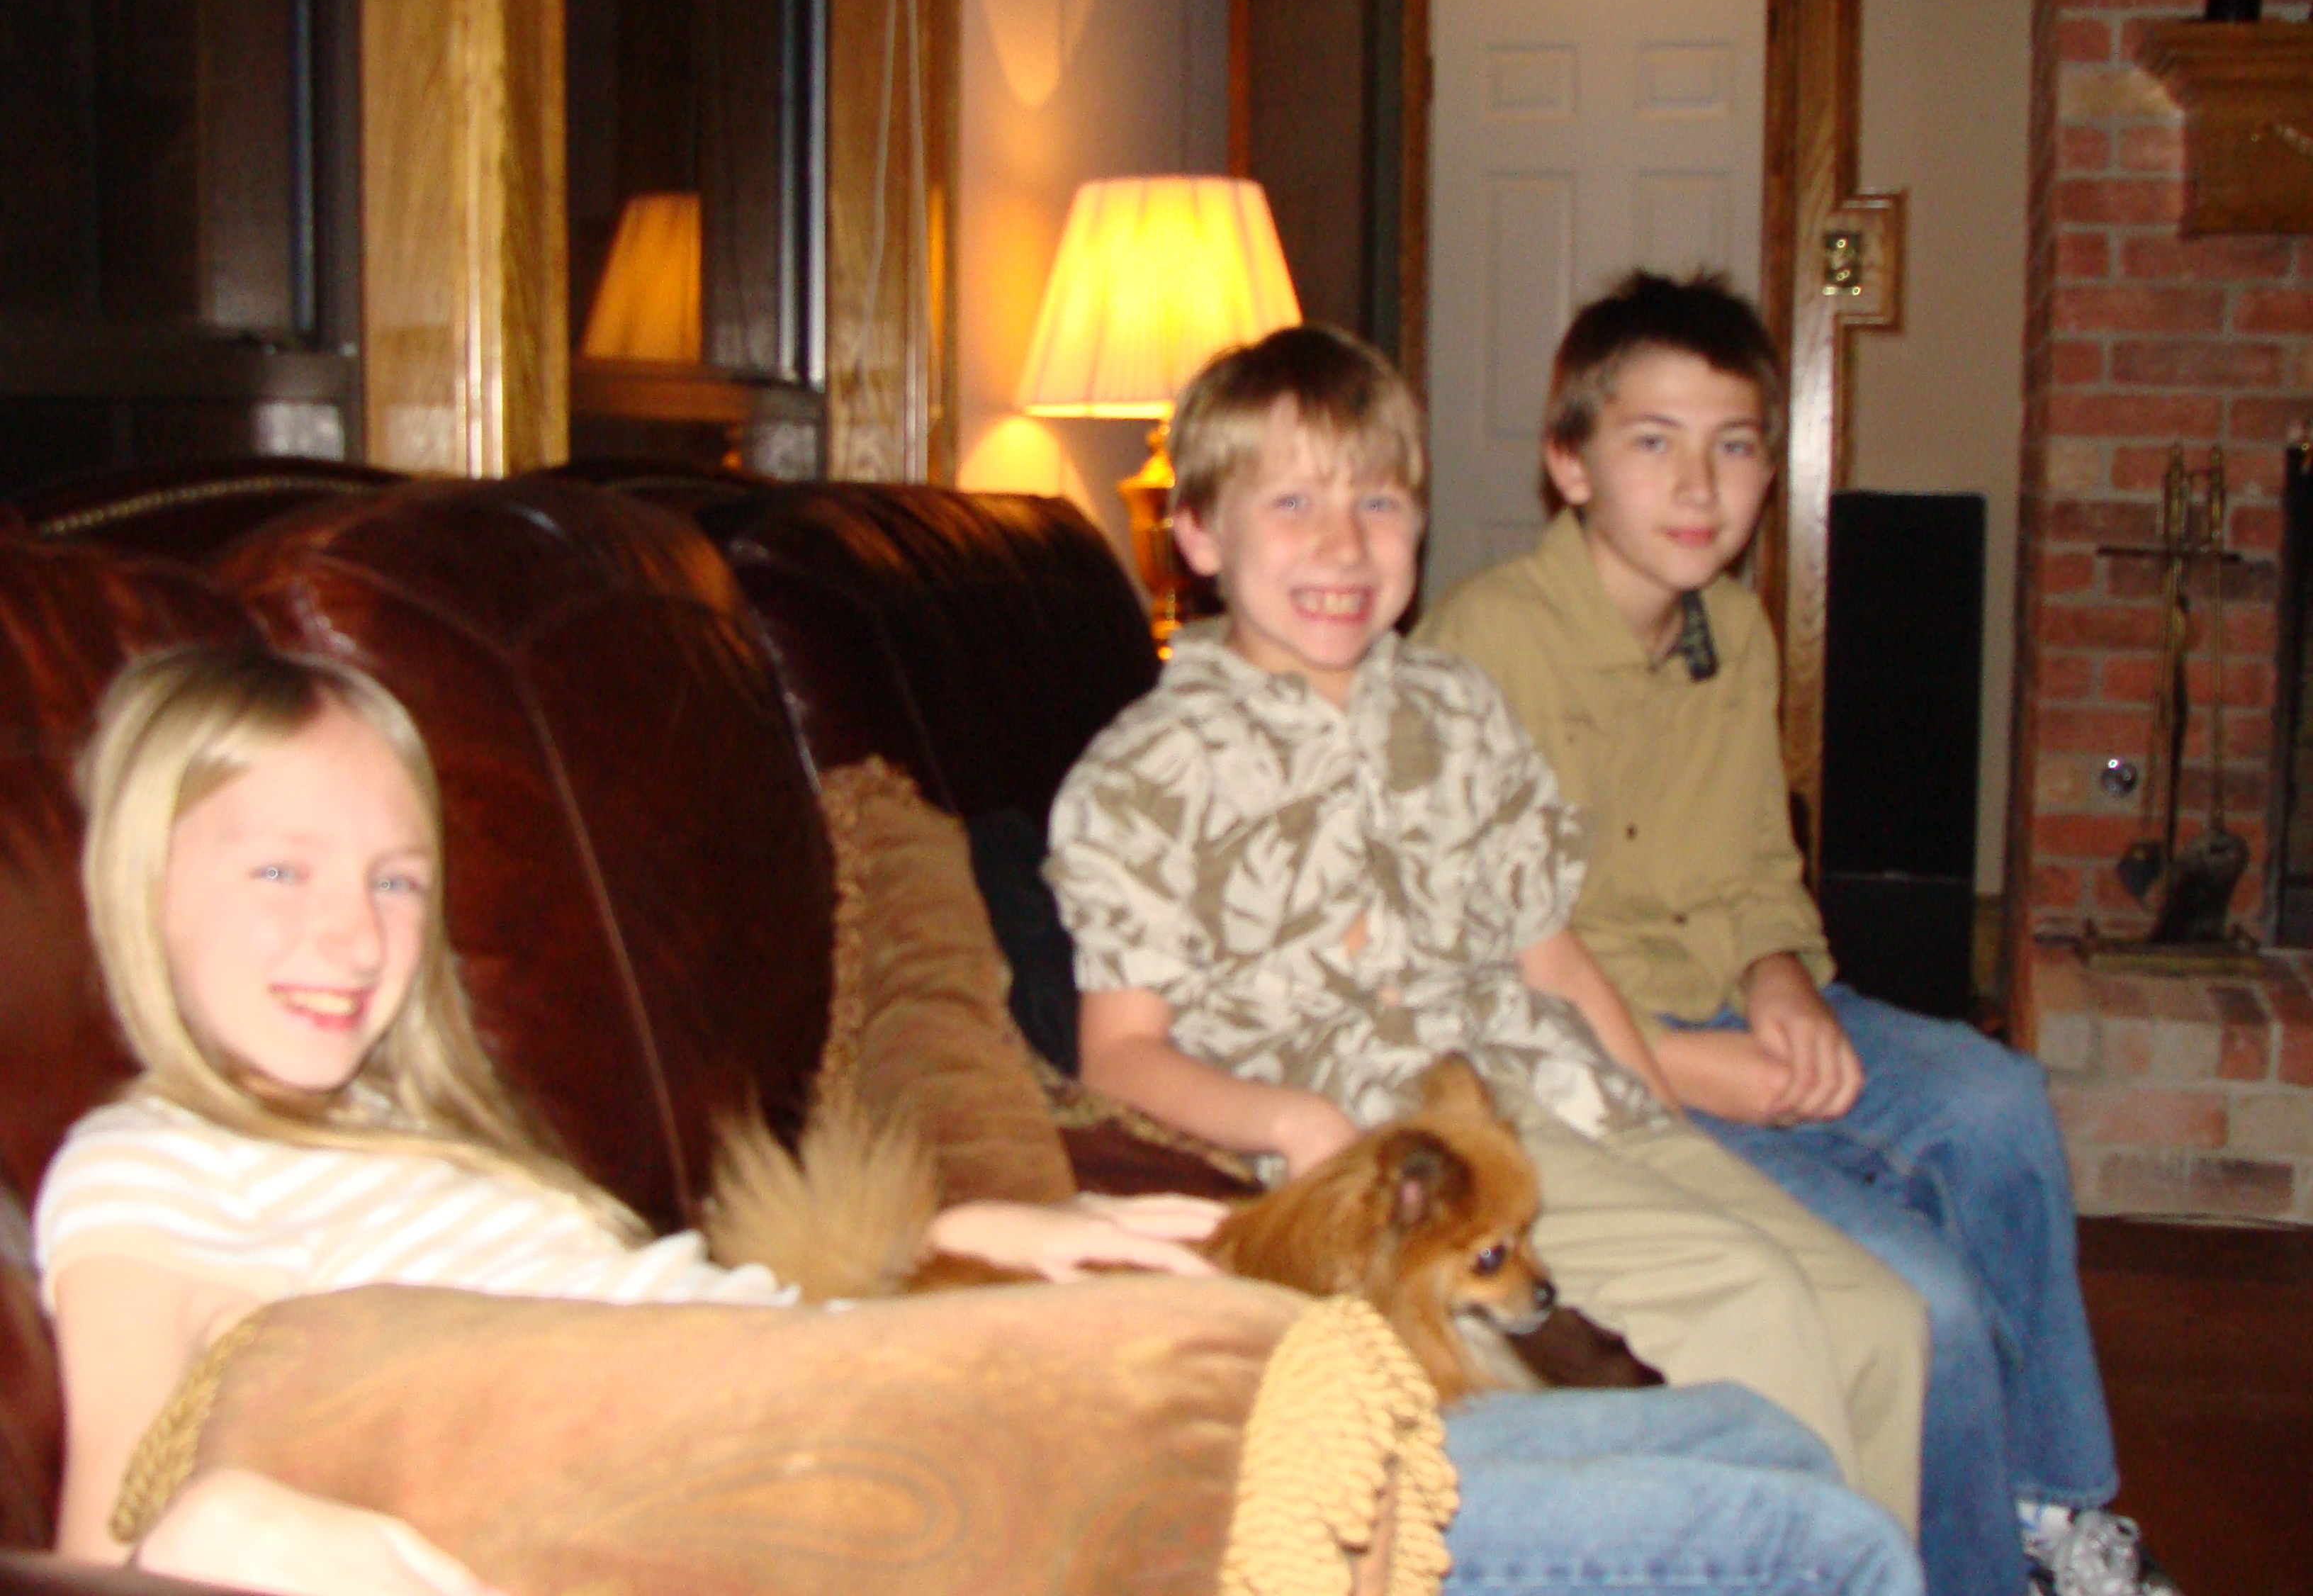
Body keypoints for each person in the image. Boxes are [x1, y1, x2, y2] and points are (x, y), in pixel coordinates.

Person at [35, 641, 1923, 1596]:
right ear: (140, 878)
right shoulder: (148, 1171)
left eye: (390, 880)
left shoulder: (414, 1134)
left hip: (852, 1373)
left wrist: (983, 1233)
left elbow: (674, 1303)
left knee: (1766, 1443)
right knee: (1800, 1549)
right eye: (277, 871)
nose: (349, 935)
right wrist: (257, 1529)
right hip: (915, 1483)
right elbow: (117, 1532)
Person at [1044, 324, 1930, 1541]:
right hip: (1407, 1155)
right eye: (1293, 503)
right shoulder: (1142, 772)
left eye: (1380, 503)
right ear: (1197, 533)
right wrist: (1294, 1124)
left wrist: (1663, 1125)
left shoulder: (1455, 705)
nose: (1344, 545)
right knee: (1757, 1310)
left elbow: (1549, 952)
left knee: (1882, 1323)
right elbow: (1118, 1056)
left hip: (1554, 1092)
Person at [1419, 269, 2172, 1596]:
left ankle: (2051, 1506)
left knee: (1999, 1100)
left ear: (1772, 469)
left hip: (1728, 1003)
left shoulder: (1739, 631)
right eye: (1655, 443)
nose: (1699, 486)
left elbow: (1762, 868)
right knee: (1929, 1300)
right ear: (1570, 465)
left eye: (1735, 447)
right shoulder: (1483, 648)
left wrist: (1783, 982)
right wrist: (1689, 1068)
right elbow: (1472, 966)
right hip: (1600, 1056)